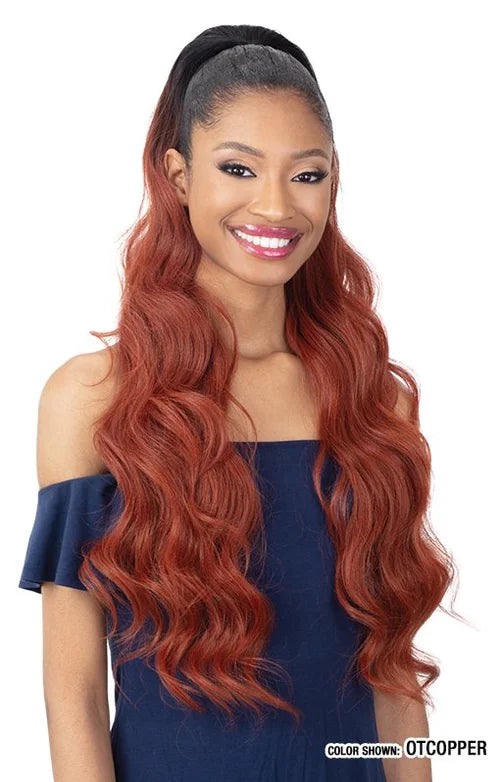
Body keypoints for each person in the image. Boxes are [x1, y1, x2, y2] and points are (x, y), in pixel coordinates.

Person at [18, 23, 459, 782]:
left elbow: (390, 677)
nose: (276, 206)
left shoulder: (372, 401)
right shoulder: (91, 400)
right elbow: (75, 698)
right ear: (178, 175)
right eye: (238, 168)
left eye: (307, 174)